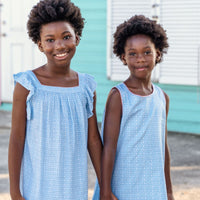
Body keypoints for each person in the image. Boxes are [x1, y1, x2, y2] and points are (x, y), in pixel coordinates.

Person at [8, 0, 103, 199]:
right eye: (50, 40)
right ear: (40, 44)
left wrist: (105, 185)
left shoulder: (86, 87)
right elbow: (16, 140)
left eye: (66, 37)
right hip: (37, 188)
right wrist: (15, 192)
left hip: (73, 188)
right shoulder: (27, 86)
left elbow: (93, 140)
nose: (59, 45)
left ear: (77, 38)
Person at [93, 15, 174, 200]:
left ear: (158, 54)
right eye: (132, 53)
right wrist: (105, 191)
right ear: (123, 57)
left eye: (147, 52)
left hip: (152, 187)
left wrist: (168, 191)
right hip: (123, 186)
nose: (140, 59)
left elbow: (163, 147)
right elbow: (109, 148)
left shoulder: (162, 98)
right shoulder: (118, 97)